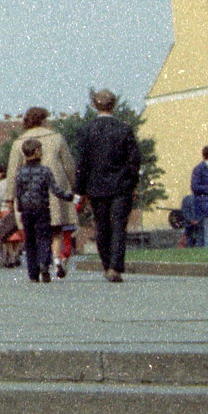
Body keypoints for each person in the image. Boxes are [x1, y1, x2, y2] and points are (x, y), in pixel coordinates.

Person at [72, 90, 141, 282]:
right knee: (119, 225)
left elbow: (82, 163)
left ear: (95, 105)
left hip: (96, 186)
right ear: (114, 104)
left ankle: (106, 263)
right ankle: (116, 266)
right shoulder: (124, 129)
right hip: (121, 185)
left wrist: (80, 190)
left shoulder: (87, 130)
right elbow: (134, 160)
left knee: (102, 226)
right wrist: (132, 183)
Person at [5, 109, 77, 277]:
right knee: (56, 228)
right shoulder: (56, 137)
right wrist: (73, 186)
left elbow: (12, 172)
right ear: (43, 120)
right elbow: (69, 165)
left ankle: (35, 267)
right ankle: (55, 260)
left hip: (28, 195)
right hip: (53, 191)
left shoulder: (19, 142)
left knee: (32, 234)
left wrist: (10, 196)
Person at [12, 137, 70, 284]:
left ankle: (33, 272)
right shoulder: (44, 170)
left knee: (30, 241)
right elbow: (55, 189)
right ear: (37, 152)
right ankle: (44, 263)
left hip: (26, 209)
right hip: (42, 208)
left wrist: (19, 206)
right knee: (44, 238)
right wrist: (68, 196)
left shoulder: (20, 172)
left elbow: (18, 191)